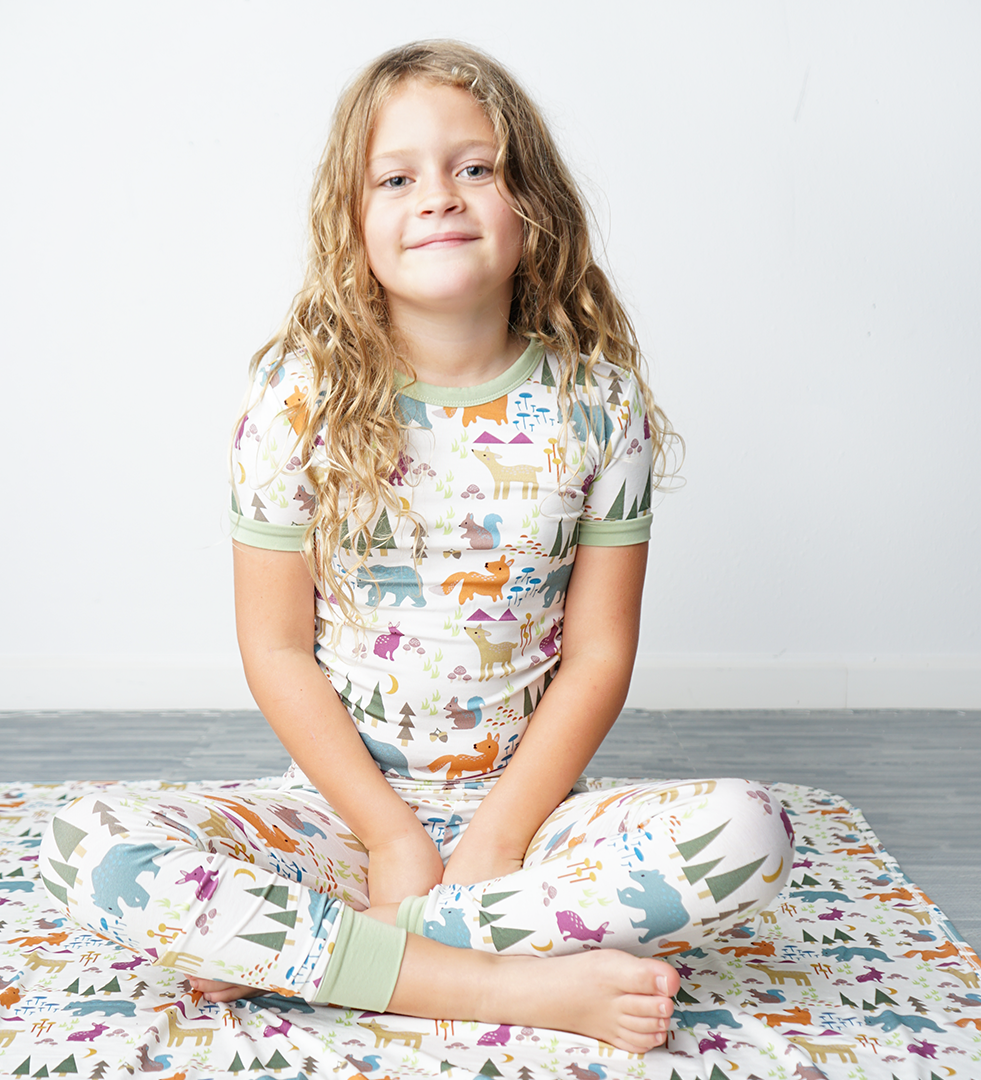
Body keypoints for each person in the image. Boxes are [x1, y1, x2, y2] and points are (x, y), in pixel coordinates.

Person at [39, 41, 794, 1055]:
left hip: (528, 828)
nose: (437, 196)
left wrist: (495, 836)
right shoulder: (294, 405)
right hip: (342, 822)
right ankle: (520, 988)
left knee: (754, 832)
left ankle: (338, 955)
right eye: (396, 177)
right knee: (86, 851)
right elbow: (276, 651)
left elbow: (600, 654)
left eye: (474, 167)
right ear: (354, 227)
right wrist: (392, 835)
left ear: (534, 205)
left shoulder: (599, 406)